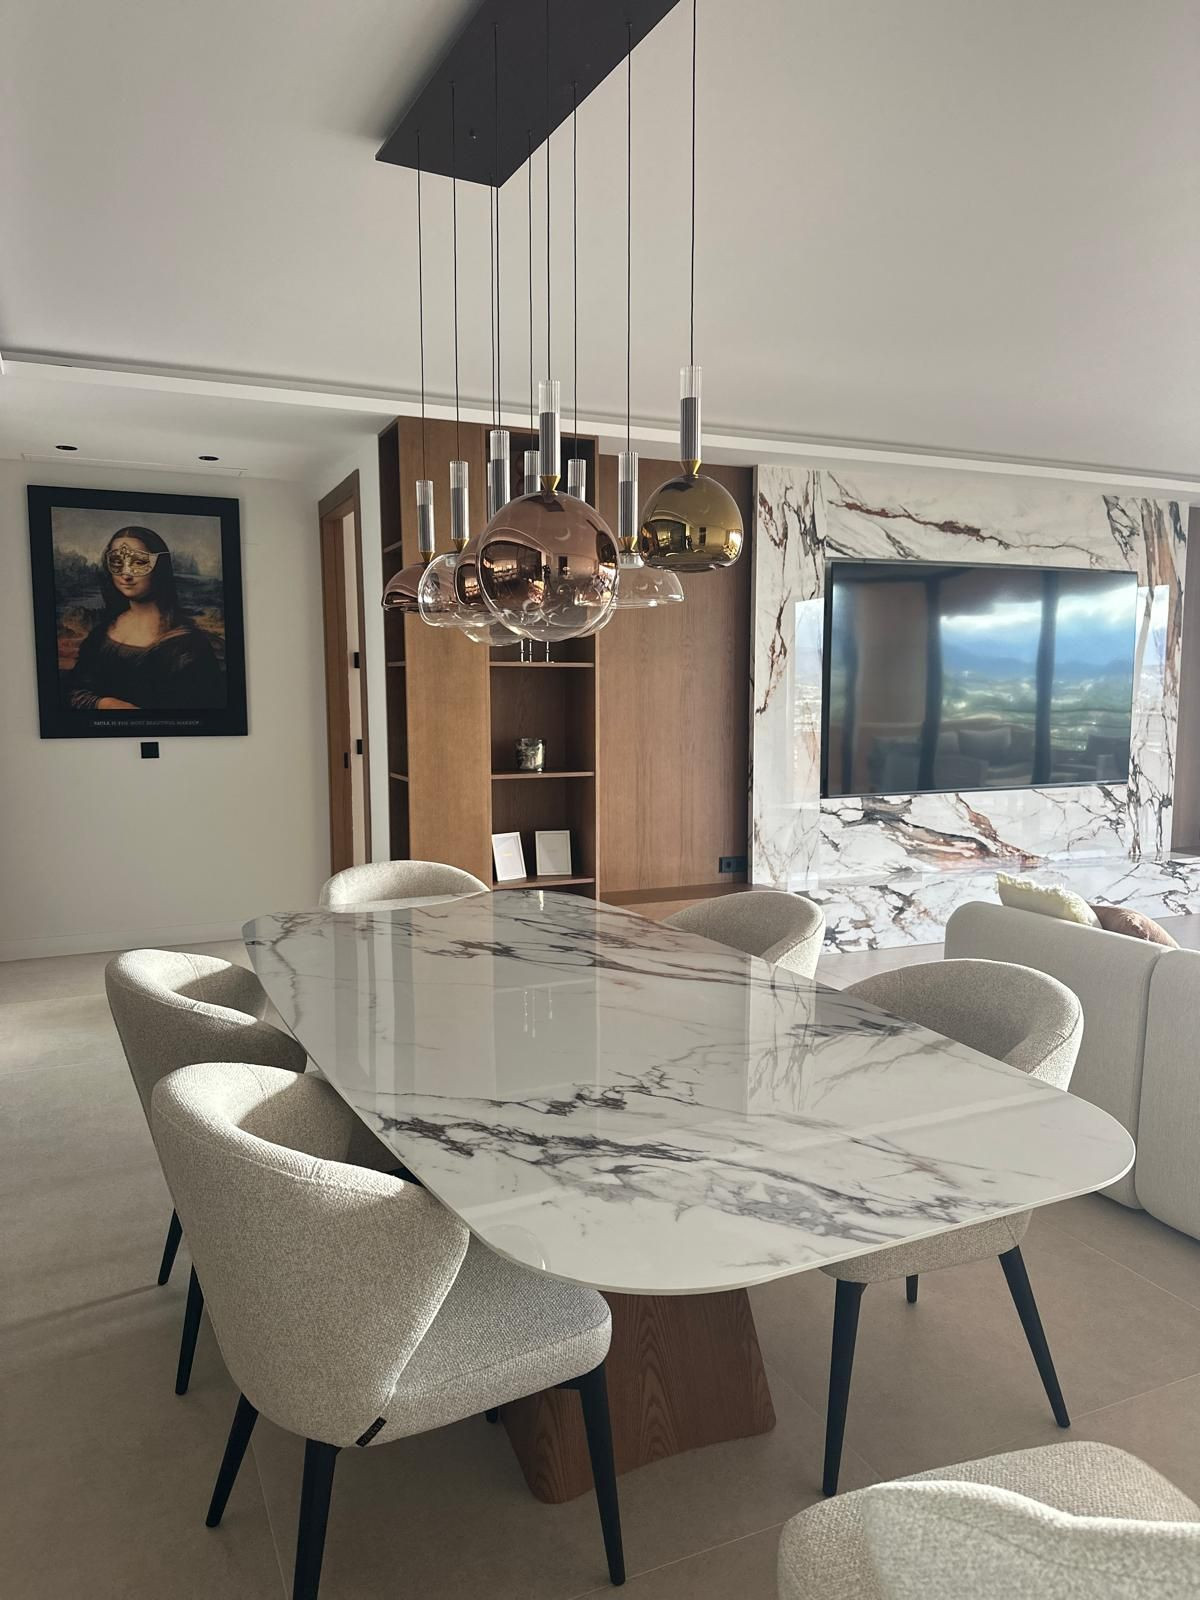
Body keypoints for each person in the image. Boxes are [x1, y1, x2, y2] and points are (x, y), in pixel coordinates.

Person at [66, 527, 225, 712]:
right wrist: (104, 704)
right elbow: (74, 691)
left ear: (159, 567)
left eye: (139, 562)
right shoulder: (102, 632)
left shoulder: (188, 645)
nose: (126, 574)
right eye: (117, 562)